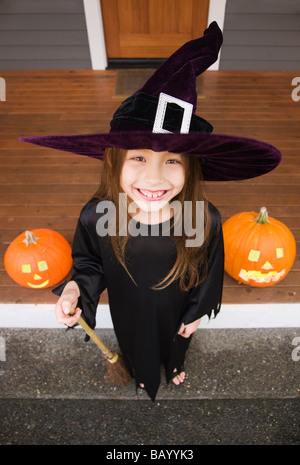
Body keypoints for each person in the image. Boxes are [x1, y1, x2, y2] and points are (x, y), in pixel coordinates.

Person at [20, 22, 282, 401]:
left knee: (176, 338)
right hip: (128, 306)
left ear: (191, 167)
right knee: (136, 340)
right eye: (139, 157)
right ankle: (144, 374)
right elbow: (91, 264)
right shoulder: (101, 215)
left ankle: (174, 364)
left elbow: (206, 272)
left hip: (177, 305)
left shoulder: (198, 217)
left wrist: (195, 313)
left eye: (172, 160)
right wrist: (76, 288)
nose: (154, 177)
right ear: (113, 162)